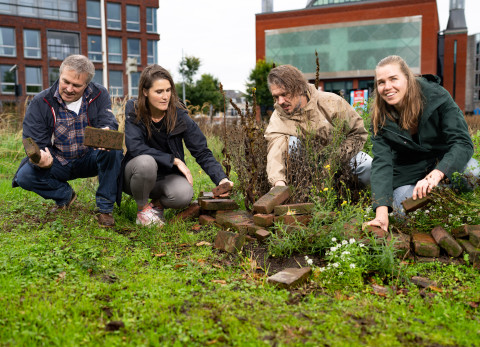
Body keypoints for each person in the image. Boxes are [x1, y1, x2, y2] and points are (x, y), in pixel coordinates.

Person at [367, 55, 479, 231]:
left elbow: (462, 142)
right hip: (408, 171)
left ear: (407, 78)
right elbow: (382, 163)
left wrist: (437, 174)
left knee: (474, 173)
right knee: (400, 212)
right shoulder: (378, 117)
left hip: (442, 163)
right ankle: (439, 200)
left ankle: (445, 198)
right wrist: (380, 215)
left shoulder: (437, 96)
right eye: (381, 82)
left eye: (393, 79)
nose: (387, 87)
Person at [12, 54, 123, 227]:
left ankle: (105, 209)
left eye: (76, 85)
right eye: (66, 82)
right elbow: (30, 140)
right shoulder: (41, 101)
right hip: (58, 161)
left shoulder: (99, 93)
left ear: (87, 85)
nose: (69, 89)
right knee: (24, 176)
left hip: (90, 157)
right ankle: (65, 196)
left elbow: (108, 121)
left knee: (113, 149)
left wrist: (107, 131)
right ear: (60, 74)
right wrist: (39, 158)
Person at [122, 64, 232, 226]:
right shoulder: (134, 109)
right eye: (159, 92)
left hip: (164, 177)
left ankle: (156, 206)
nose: (165, 96)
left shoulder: (179, 115)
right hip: (135, 176)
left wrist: (221, 179)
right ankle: (142, 211)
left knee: (183, 194)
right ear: (145, 92)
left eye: (168, 90)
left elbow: (201, 151)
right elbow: (135, 147)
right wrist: (174, 160)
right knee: (146, 162)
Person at [264, 64, 372, 188]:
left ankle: (355, 195)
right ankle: (303, 190)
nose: (280, 101)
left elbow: (357, 133)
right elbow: (275, 151)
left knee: (367, 165)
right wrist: (278, 183)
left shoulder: (331, 102)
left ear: (299, 88)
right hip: (305, 168)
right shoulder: (279, 116)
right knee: (292, 143)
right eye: (276, 97)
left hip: (339, 158)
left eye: (284, 94)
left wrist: (333, 160)